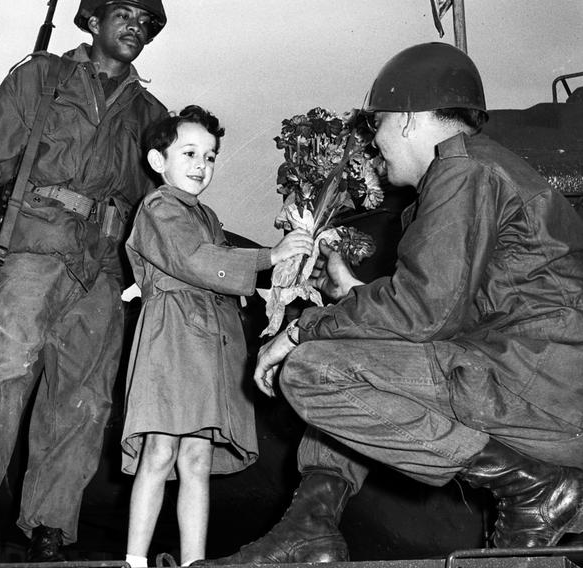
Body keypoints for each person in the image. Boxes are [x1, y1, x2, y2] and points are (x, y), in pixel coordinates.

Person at [202, 42, 583, 565]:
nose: (375, 143)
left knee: (313, 369)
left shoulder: (464, 170)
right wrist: (354, 295)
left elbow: (424, 311)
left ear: (406, 120)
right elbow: (451, 311)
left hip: (537, 381)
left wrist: (301, 329)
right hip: (535, 377)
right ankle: (308, 525)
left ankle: (531, 487)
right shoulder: (479, 174)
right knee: (351, 347)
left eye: (378, 125)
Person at [0, 0, 169, 564]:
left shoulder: (151, 111)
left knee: (83, 401)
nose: (136, 26)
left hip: (103, 269)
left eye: (146, 21)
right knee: (5, 369)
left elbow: (155, 207)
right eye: (124, 14)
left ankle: (49, 538)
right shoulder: (41, 77)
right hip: (33, 248)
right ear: (92, 21)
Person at [121, 106, 314, 567]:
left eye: (209, 157)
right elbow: (195, 260)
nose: (200, 165)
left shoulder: (206, 214)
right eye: (189, 153)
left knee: (196, 462)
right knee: (160, 450)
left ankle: (194, 563)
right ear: (157, 161)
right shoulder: (159, 207)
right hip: (172, 344)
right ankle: (133, 561)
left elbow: (219, 269)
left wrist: (289, 275)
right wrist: (270, 255)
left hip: (207, 348)